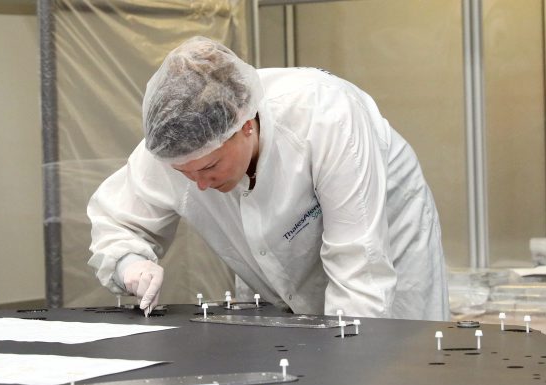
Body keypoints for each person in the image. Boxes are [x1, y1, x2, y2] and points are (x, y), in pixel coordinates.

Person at [88, 36, 448, 321]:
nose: (200, 184)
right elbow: (117, 223)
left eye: (210, 167)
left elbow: (361, 270)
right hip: (279, 278)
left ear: (246, 124)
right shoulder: (175, 144)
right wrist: (129, 263)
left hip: (385, 244)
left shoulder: (325, 116)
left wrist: (348, 367)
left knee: (398, 362)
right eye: (185, 174)